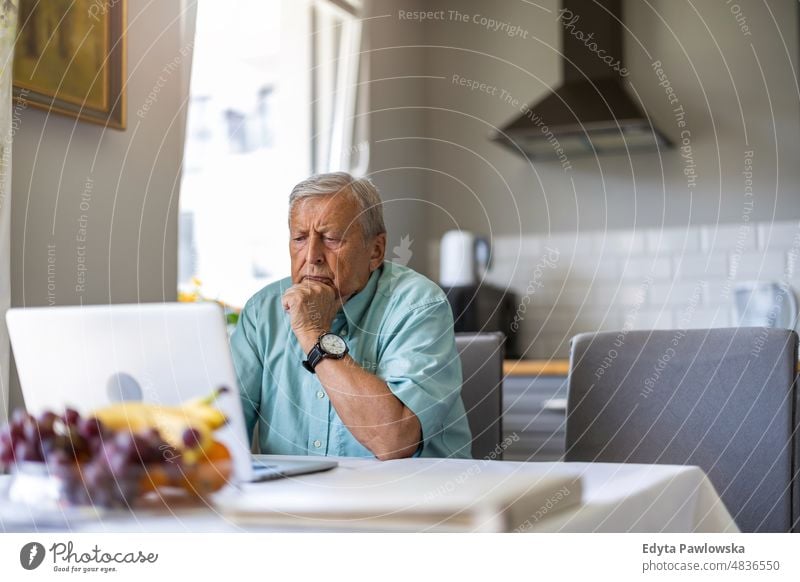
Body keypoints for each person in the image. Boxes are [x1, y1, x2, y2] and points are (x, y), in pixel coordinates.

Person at [230, 172, 471, 460]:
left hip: (412, 498)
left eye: (331, 239)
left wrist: (314, 334)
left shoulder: (419, 305)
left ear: (376, 250)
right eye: (299, 238)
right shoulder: (263, 311)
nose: (312, 256)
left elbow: (393, 441)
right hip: (296, 500)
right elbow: (220, 430)